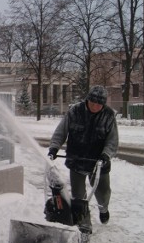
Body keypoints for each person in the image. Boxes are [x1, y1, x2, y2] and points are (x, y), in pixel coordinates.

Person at [47, 85, 119, 233]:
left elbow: (112, 141)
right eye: (92, 102)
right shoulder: (75, 111)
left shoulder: (108, 116)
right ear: (88, 100)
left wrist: (106, 155)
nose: (95, 106)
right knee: (78, 196)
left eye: (99, 104)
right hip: (77, 159)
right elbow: (61, 131)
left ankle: (103, 209)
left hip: (98, 163)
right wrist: (54, 148)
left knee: (103, 192)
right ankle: (84, 223)